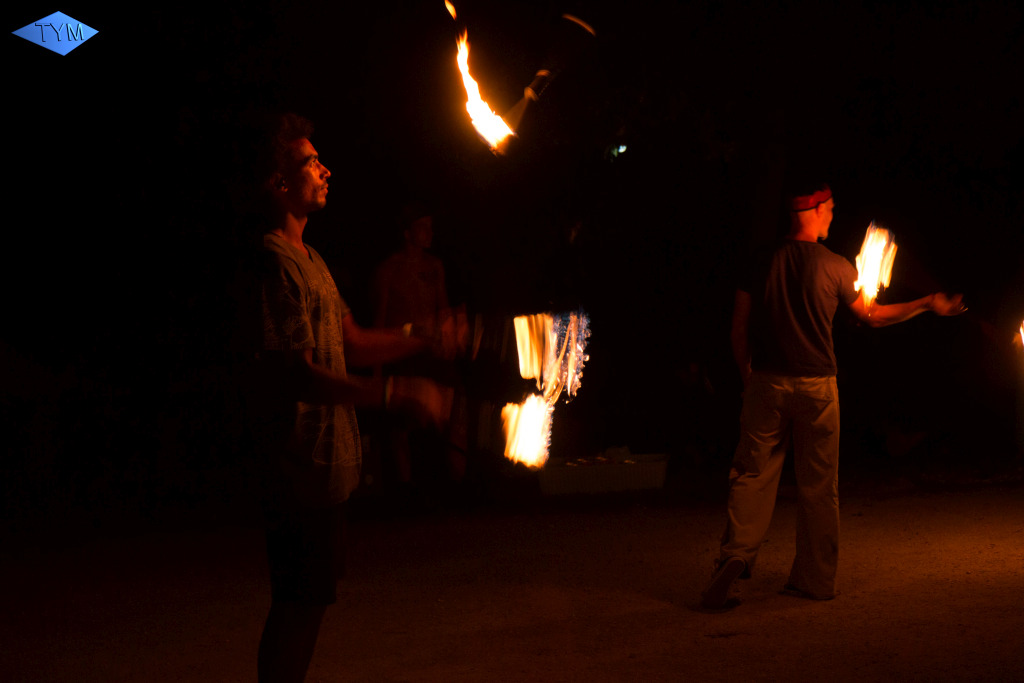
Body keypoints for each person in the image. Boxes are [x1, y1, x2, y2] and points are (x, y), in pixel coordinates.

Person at [700, 182, 966, 610]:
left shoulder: (759, 260)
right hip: (819, 388)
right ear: (817, 209)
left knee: (752, 475)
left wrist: (748, 375)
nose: (833, 215)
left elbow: (738, 328)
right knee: (820, 487)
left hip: (767, 382)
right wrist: (927, 303)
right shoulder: (836, 266)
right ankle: (815, 580)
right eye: (831, 208)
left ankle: (735, 557)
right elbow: (872, 317)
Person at [248, 113, 442, 682]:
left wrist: (421, 337)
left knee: (311, 605)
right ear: (280, 184)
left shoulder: (314, 261)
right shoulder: (275, 262)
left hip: (325, 473)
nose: (325, 168)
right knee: (296, 607)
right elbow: (299, 373)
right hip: (296, 470)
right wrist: (388, 394)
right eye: (311, 161)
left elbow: (351, 341)